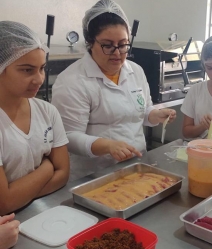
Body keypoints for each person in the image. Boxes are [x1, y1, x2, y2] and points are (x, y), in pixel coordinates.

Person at [51, 0, 176, 181]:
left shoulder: (135, 71)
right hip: (94, 176)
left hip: (136, 166)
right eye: (108, 45)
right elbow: (68, 137)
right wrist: (108, 145)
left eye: (123, 44)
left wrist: (156, 115)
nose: (117, 53)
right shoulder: (72, 81)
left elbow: (143, 110)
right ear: (90, 43)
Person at [0, 21, 70, 215]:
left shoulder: (47, 111)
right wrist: (48, 168)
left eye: (42, 68)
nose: (39, 79)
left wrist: (17, 194)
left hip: (42, 213)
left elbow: (63, 174)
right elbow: (4, 204)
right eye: (27, 70)